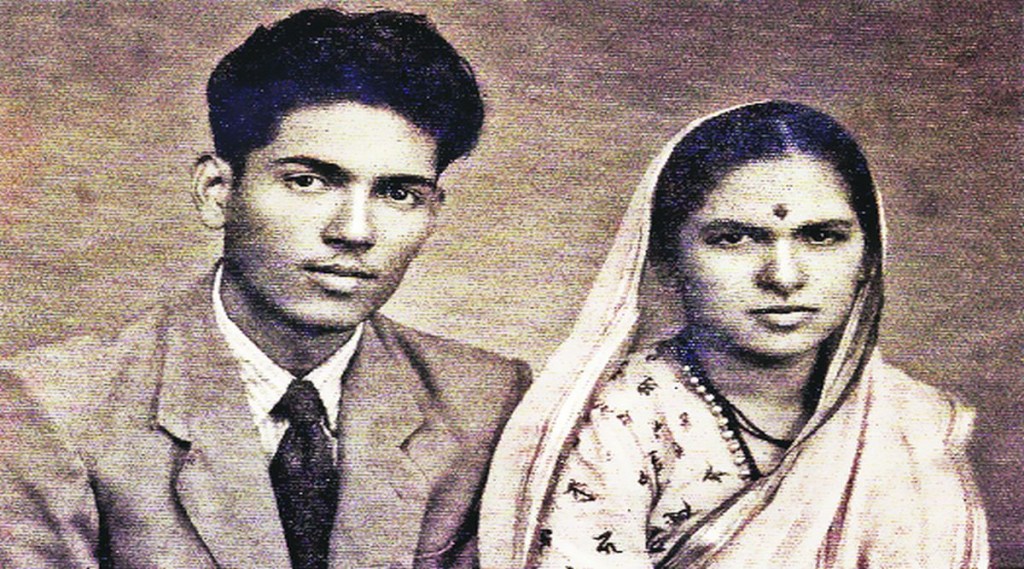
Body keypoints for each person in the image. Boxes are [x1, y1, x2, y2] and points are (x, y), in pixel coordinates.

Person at [0, 8, 530, 569]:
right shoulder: (53, 407)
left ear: (433, 213)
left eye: (398, 194)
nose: (354, 231)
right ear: (217, 191)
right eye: (308, 181)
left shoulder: (489, 403)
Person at [480, 101, 988, 568]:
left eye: (820, 236)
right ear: (666, 259)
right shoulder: (620, 420)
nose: (783, 277)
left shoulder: (911, 421)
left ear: (868, 259)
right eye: (734, 238)